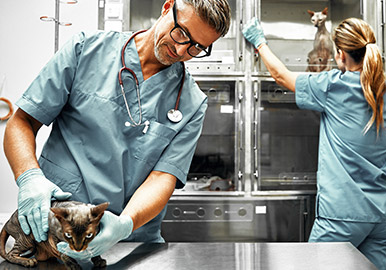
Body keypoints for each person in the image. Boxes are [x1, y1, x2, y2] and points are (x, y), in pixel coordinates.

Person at [3, 0, 230, 261]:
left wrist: (124, 225)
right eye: (181, 33)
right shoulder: (86, 49)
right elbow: (22, 122)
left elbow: (162, 178)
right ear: (167, 7)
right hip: (56, 233)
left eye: (196, 47)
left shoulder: (192, 102)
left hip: (131, 243)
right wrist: (29, 177)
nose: (181, 50)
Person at [243, 17, 386, 270]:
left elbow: (281, 76)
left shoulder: (333, 86)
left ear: (340, 55)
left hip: (342, 216)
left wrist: (259, 42)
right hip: (381, 217)